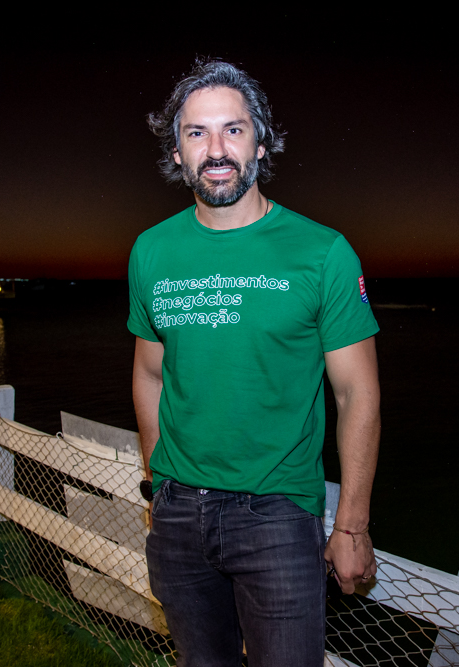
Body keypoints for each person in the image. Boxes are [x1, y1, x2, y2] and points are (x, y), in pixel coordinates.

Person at [128, 58, 381, 667]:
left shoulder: (323, 253)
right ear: (177, 153)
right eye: (197, 133)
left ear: (261, 145)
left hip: (277, 517)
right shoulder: (151, 251)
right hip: (179, 516)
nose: (216, 149)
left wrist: (351, 525)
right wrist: (160, 485)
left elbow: (357, 395)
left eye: (233, 130)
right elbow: (150, 374)